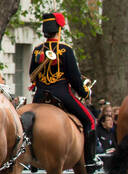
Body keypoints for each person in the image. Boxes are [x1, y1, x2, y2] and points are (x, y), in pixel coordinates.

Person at [29, 11, 97, 165]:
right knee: (90, 121)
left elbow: (31, 75)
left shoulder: (37, 50)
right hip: (61, 94)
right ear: (59, 28)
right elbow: (74, 78)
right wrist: (84, 92)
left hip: (39, 97)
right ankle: (89, 160)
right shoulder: (66, 50)